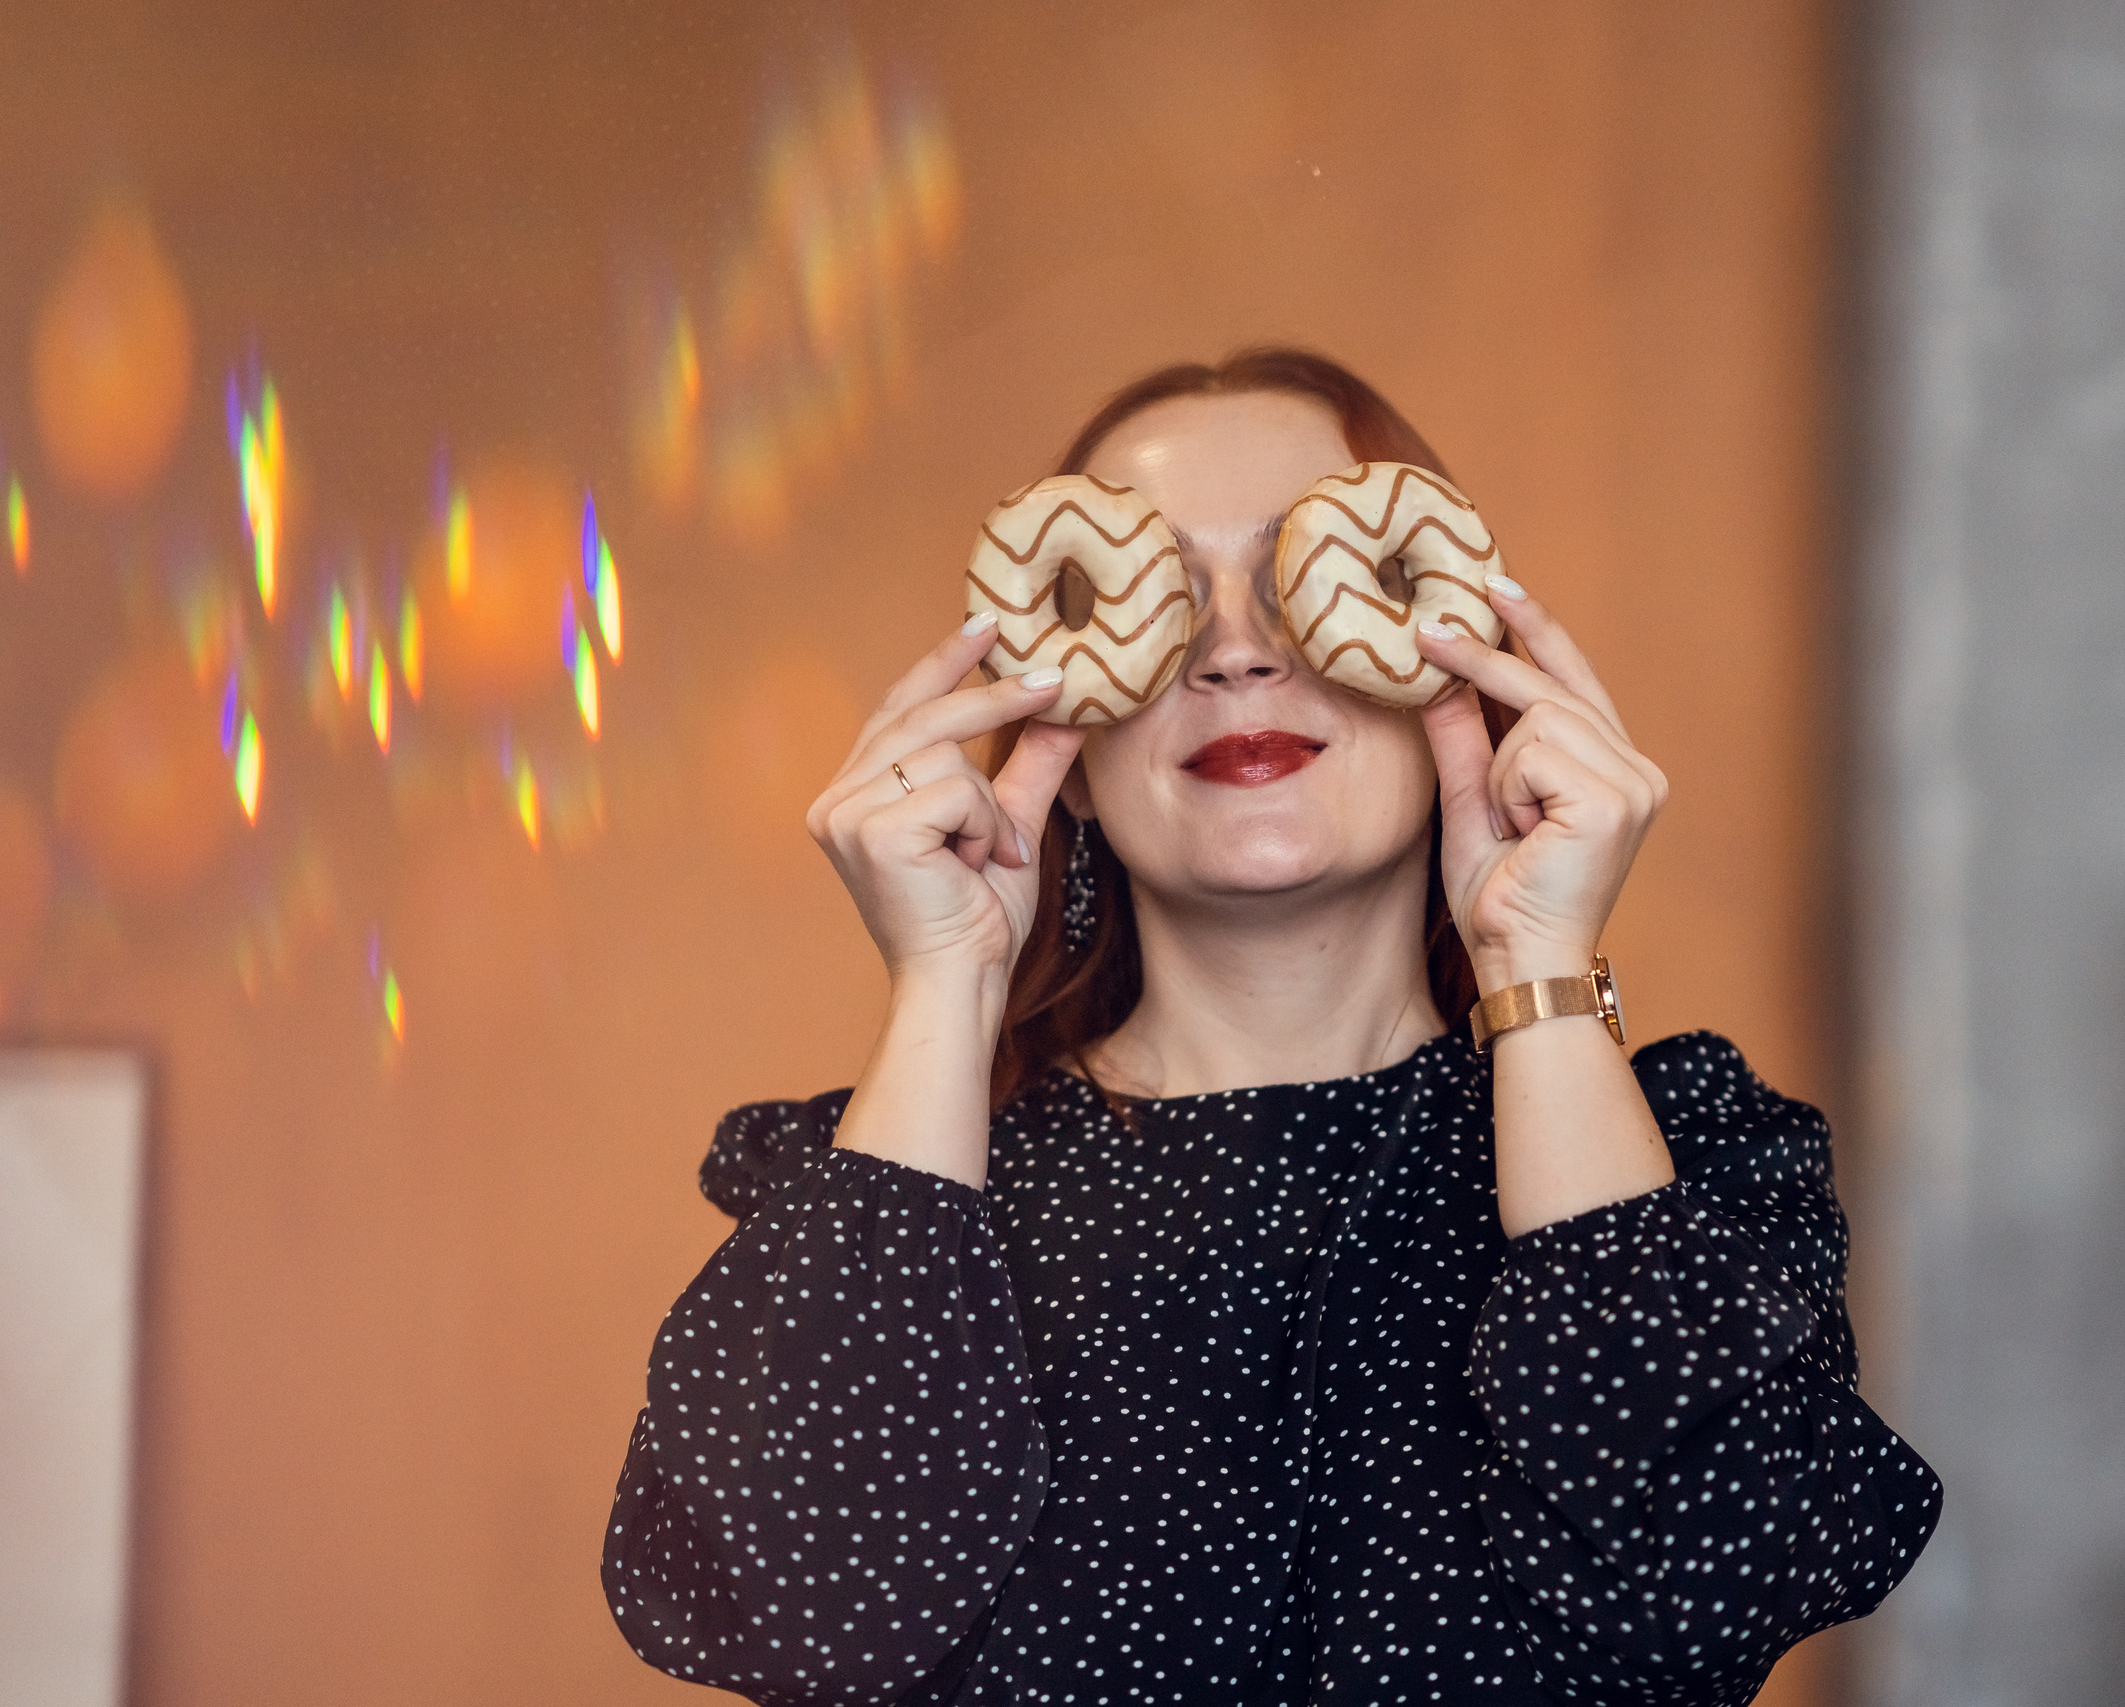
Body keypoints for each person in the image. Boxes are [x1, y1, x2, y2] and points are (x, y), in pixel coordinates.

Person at [602, 349, 1939, 1706]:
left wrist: (1534, 964)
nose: (1236, 649)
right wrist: (947, 977)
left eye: (1306, 577)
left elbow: (1705, 1585)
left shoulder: (1676, 1164)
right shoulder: (904, 1192)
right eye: (1157, 598)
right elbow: (790, 1615)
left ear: (1457, 669)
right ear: (1059, 723)